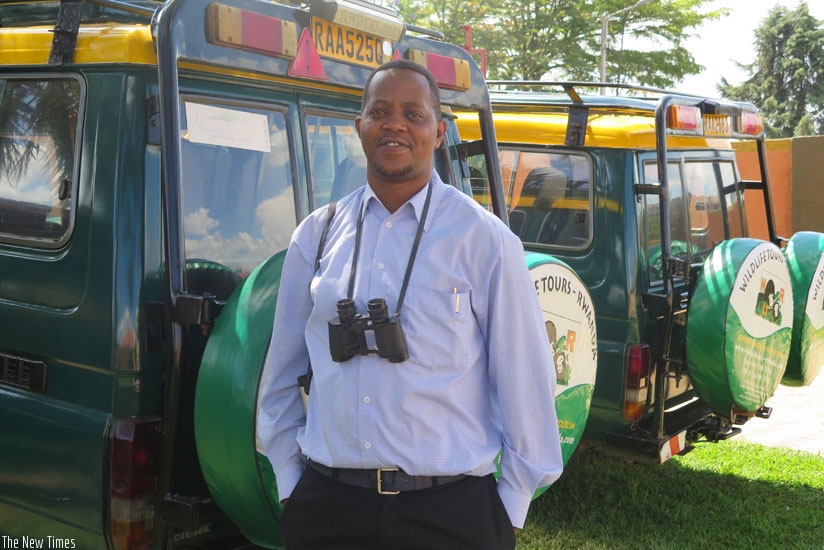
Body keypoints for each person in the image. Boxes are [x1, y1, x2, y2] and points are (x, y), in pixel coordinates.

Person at [257, 59, 563, 550]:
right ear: (359, 126)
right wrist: (290, 481)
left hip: (450, 512)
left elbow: (525, 380)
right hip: (327, 507)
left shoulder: (484, 241)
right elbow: (279, 373)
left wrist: (510, 504)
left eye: (413, 114)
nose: (394, 125)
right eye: (379, 112)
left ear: (438, 132)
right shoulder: (316, 235)